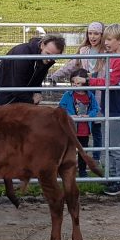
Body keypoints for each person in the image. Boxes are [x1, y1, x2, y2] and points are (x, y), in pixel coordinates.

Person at [73, 23, 120, 196]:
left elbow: (110, 81)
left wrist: (88, 82)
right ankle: (114, 179)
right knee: (111, 145)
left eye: (110, 39)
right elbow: (106, 78)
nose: (106, 42)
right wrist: (91, 76)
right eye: (105, 39)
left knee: (117, 146)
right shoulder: (111, 57)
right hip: (109, 106)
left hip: (116, 107)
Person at [50, 21, 106, 161]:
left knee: (96, 127)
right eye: (90, 33)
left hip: (99, 93)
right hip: (84, 91)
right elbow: (71, 65)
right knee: (80, 126)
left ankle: (96, 157)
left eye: (96, 34)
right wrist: (55, 76)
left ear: (102, 35)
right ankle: (79, 157)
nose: (93, 37)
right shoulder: (84, 51)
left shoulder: (106, 53)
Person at [0, 34, 65, 105]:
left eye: (54, 57)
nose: (49, 59)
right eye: (48, 53)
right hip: (4, 97)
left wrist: (37, 92)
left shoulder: (43, 58)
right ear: (42, 45)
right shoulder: (23, 55)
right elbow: (17, 86)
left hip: (20, 97)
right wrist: (31, 100)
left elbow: (38, 78)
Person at [58, 68, 100, 177]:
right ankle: (65, 170)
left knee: (83, 150)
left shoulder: (90, 96)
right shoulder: (68, 95)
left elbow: (96, 108)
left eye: (78, 83)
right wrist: (69, 115)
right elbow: (61, 108)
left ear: (85, 83)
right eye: (73, 83)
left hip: (84, 129)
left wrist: (89, 116)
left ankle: (82, 170)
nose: (75, 85)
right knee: (68, 149)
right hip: (70, 129)